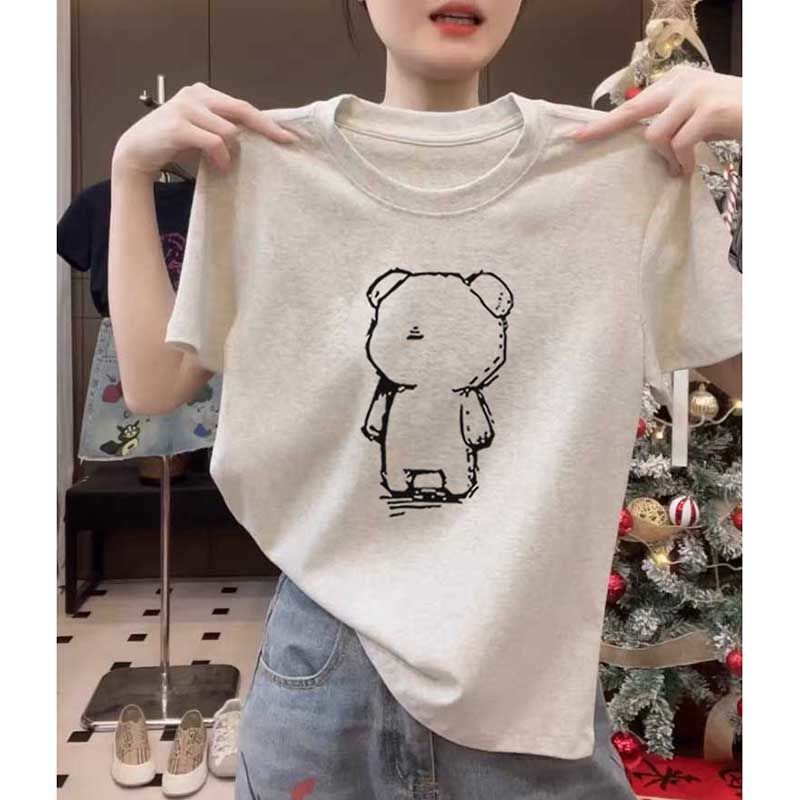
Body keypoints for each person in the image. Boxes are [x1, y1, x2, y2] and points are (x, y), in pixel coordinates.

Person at [108, 2, 742, 798]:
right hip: (327, 658)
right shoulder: (265, 166)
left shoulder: (616, 171)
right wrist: (131, 171)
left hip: (527, 678)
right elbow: (154, 387)